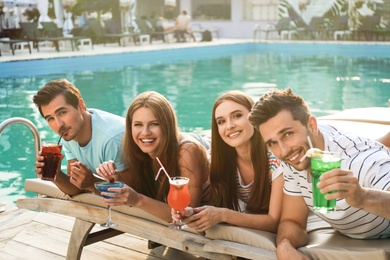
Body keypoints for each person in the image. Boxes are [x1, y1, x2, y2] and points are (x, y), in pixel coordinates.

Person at [248, 88, 390, 260]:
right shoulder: (295, 158)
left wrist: (363, 197)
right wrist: (284, 246)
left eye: (287, 134)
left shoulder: (361, 158)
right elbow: (293, 221)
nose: (283, 150)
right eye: (272, 143)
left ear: (312, 126)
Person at [172, 90, 284, 233]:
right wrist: (188, 213)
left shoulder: (276, 161)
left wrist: (223, 214)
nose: (229, 126)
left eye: (237, 116)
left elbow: (274, 221)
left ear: (253, 117)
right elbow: (210, 202)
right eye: (221, 121)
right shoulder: (222, 162)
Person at [96, 91, 210, 223]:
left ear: (167, 125)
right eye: (138, 125)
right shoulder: (141, 153)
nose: (145, 132)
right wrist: (117, 179)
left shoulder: (187, 151)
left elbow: (187, 215)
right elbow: (146, 194)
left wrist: (137, 199)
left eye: (154, 124)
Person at [33, 79, 126, 196]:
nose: (59, 124)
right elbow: (76, 188)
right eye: (50, 118)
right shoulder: (68, 134)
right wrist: (55, 174)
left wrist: (92, 183)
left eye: (62, 112)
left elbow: (128, 194)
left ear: (81, 106)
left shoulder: (112, 139)